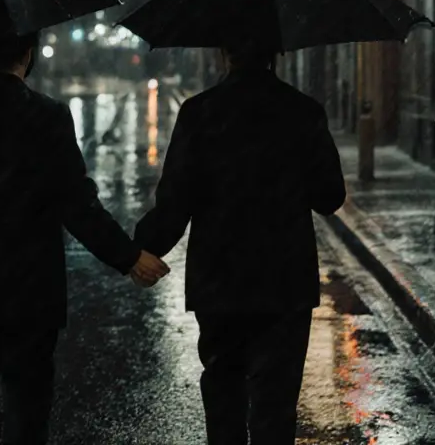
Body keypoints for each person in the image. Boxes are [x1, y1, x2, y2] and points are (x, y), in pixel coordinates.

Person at [0, 31, 170, 445]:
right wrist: (129, 257)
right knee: (27, 409)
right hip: (30, 288)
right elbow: (77, 204)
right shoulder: (48, 116)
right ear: (28, 54)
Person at [133, 40, 348, 445]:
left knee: (224, 402)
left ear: (223, 53)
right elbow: (330, 197)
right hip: (285, 281)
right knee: (275, 409)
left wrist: (140, 250)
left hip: (219, 280)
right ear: (275, 53)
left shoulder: (199, 112)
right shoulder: (302, 112)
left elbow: (176, 200)